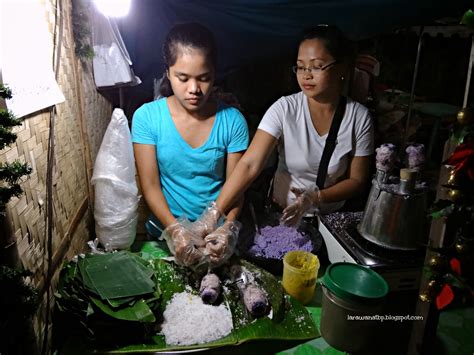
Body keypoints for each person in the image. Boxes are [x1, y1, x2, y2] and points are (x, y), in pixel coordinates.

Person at [214, 25, 374, 228]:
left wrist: (315, 197)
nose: (306, 75)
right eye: (300, 66)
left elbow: (357, 180)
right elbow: (249, 164)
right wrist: (213, 214)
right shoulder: (284, 108)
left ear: (341, 68)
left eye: (316, 66)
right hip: (280, 217)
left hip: (328, 222)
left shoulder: (359, 118)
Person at [131, 23, 249, 267]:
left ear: (214, 73)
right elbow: (150, 185)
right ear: (168, 73)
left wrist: (227, 229)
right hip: (165, 235)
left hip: (215, 239)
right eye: (183, 78)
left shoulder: (232, 121)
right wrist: (176, 231)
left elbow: (236, 187)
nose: (194, 89)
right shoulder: (147, 118)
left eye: (204, 78)